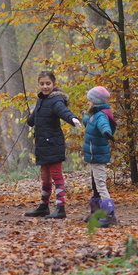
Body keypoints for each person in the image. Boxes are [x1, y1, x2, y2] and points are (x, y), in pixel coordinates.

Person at [24, 70, 82, 219]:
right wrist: (30, 120)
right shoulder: (41, 99)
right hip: (42, 144)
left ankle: (60, 207)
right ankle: (44, 206)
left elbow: (63, 111)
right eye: (42, 84)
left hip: (53, 143)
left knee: (56, 175)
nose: (45, 86)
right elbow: (37, 114)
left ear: (54, 84)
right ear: (38, 85)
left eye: (48, 83)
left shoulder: (56, 100)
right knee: (45, 176)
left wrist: (73, 119)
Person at [82, 86, 117, 228]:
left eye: (89, 100)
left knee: (101, 185)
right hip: (93, 156)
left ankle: (110, 215)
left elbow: (104, 126)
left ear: (95, 102)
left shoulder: (101, 115)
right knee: (95, 185)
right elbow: (89, 123)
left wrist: (107, 133)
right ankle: (96, 212)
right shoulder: (93, 115)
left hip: (98, 156)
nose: (88, 102)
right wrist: (84, 116)